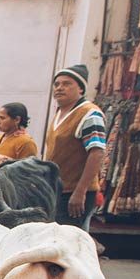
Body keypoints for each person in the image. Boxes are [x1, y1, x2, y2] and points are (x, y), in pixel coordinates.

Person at [44, 65, 107, 229]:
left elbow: (97, 153)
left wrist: (80, 192)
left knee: (68, 242)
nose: (59, 88)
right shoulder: (60, 112)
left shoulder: (89, 114)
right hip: (57, 189)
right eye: (57, 84)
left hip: (75, 191)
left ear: (80, 88)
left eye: (66, 84)